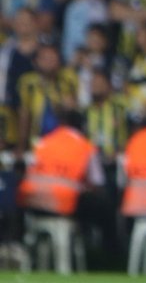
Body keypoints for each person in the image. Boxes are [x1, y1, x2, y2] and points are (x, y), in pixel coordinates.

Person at [17, 109, 109, 257]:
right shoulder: (85, 146)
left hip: (31, 202)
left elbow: (29, 170)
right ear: (82, 126)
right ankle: (99, 253)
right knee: (102, 204)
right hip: (64, 204)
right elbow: (97, 182)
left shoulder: (43, 142)